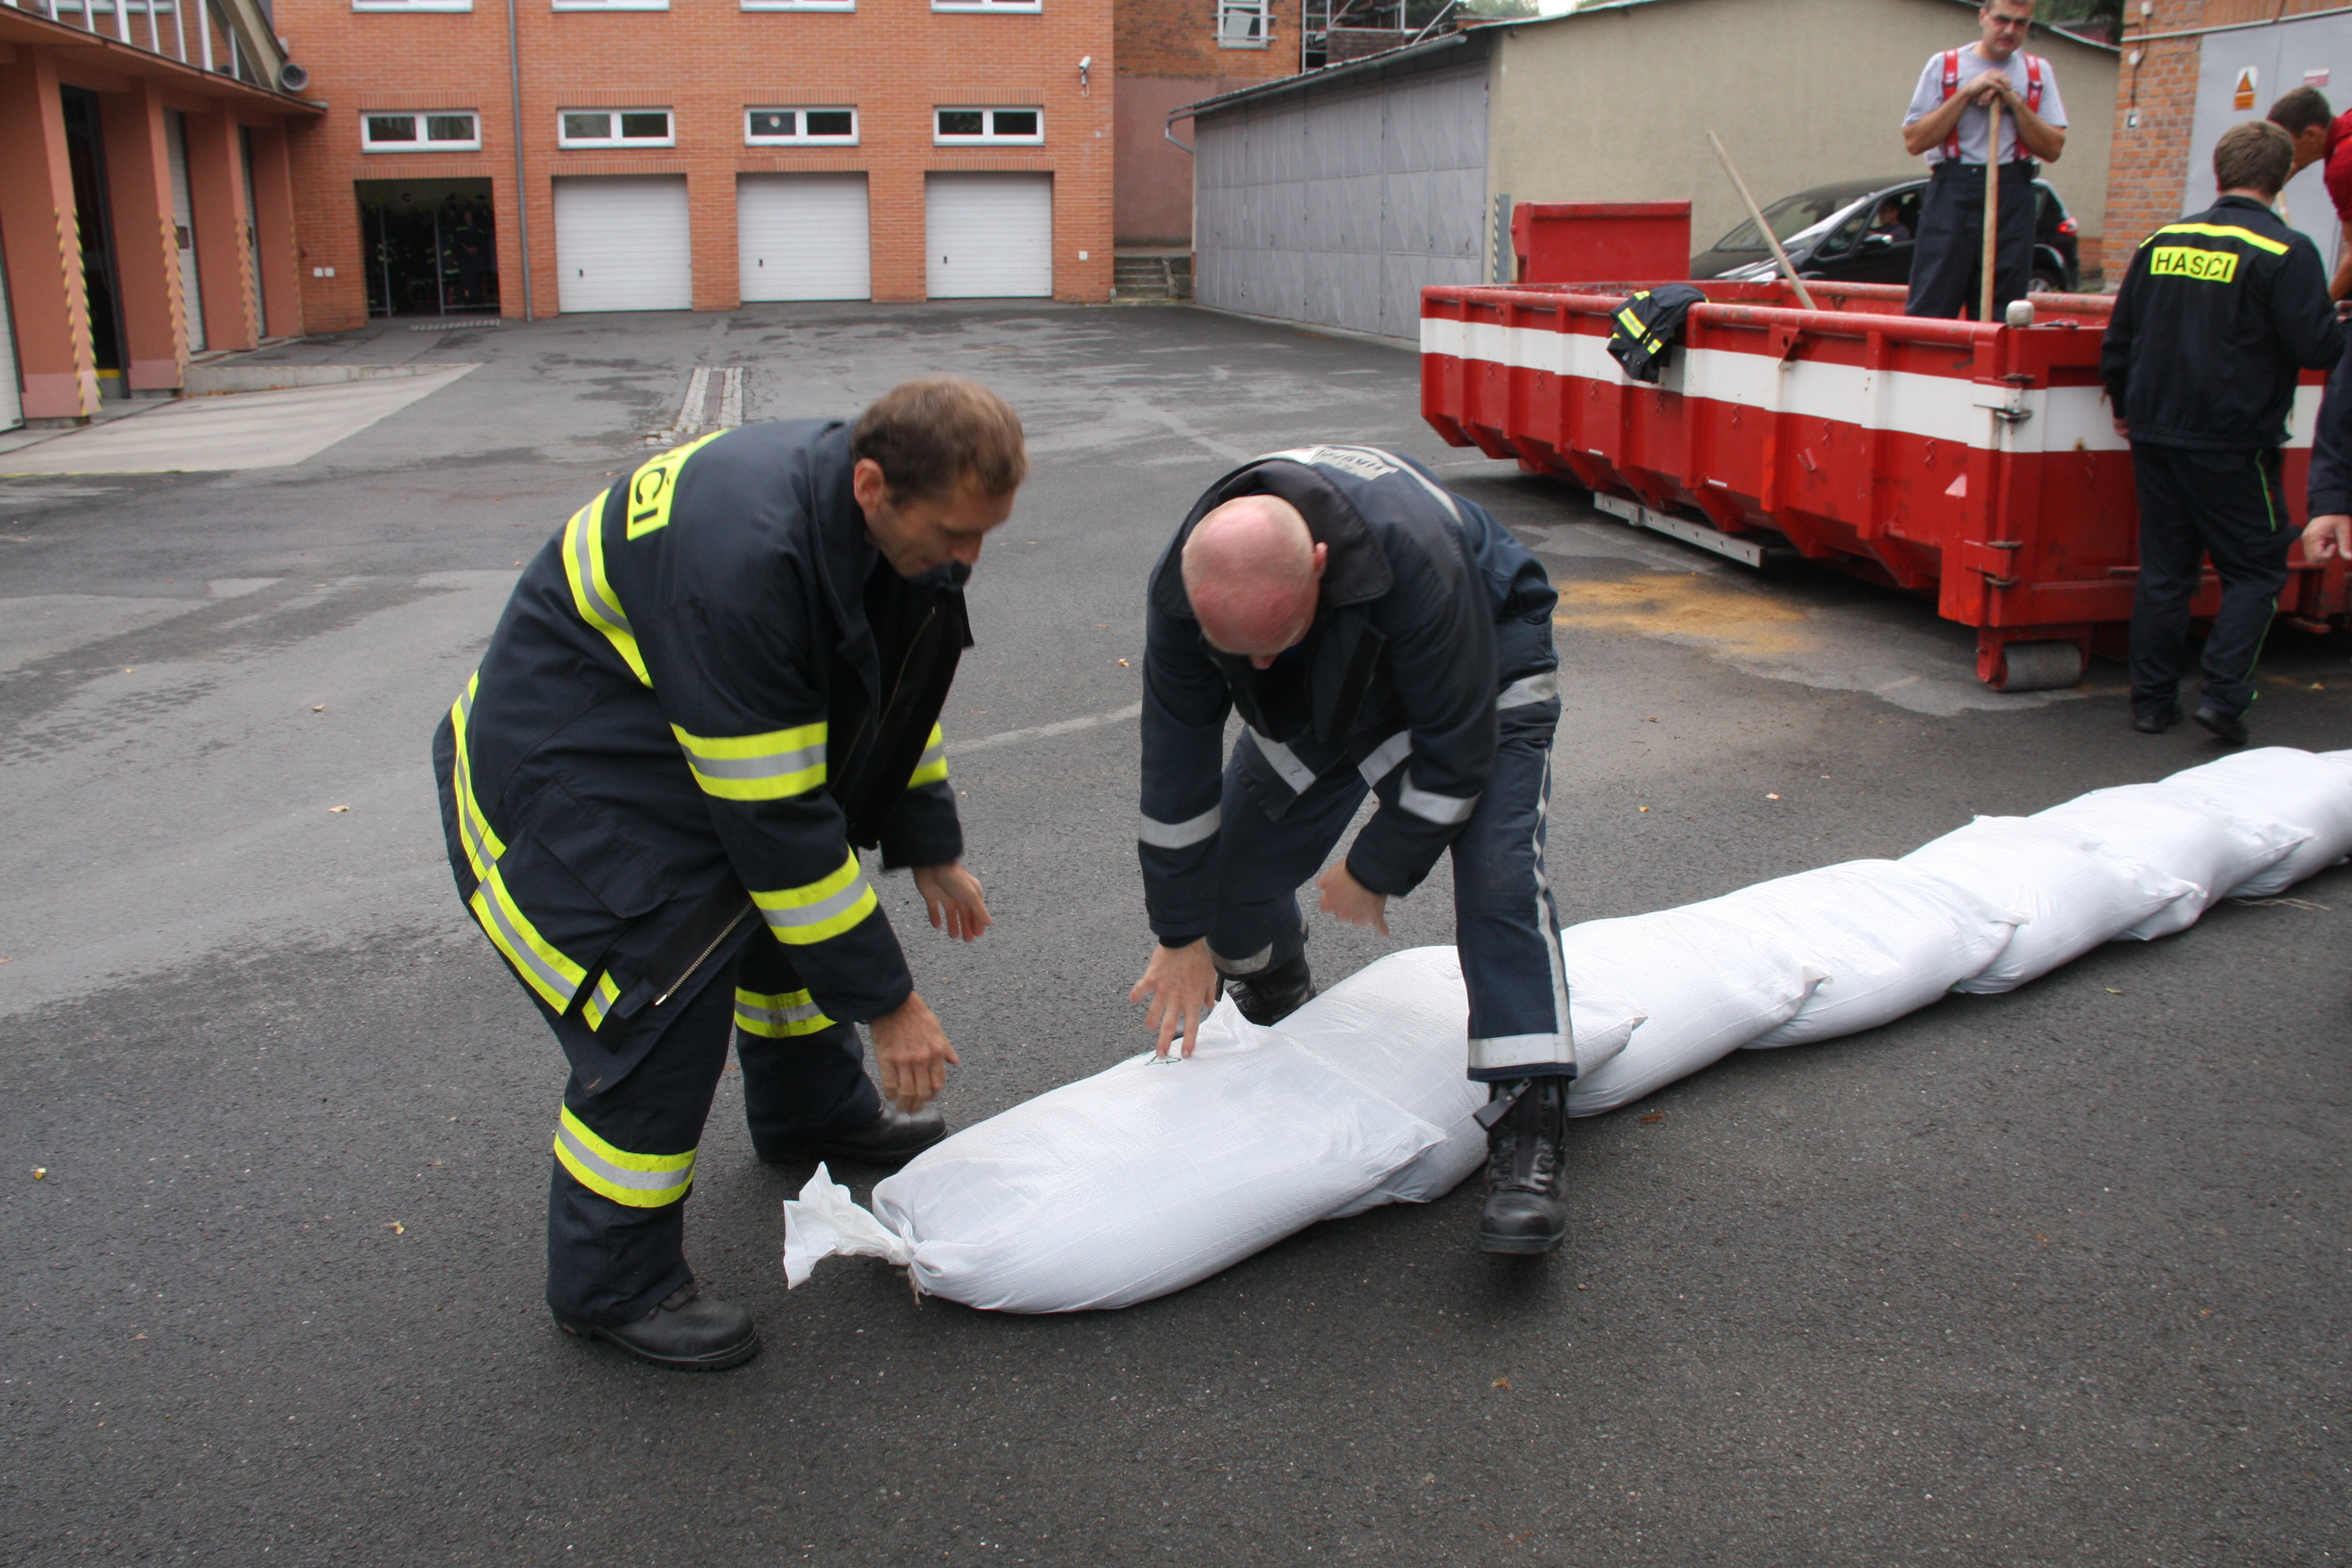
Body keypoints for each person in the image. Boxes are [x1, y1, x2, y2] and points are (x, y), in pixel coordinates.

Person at [433, 379, 1021, 1370]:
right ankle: (611, 1283)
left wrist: (928, 840)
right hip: (561, 783)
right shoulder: (746, 568)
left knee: (775, 920)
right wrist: (889, 1005)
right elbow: (781, 827)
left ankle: (807, 1111)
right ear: (873, 483)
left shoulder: (874, 521)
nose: (968, 559)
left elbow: (896, 698)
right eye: (956, 533)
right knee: (661, 999)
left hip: (668, 745)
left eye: (984, 533)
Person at [1127, 444, 1578, 1255]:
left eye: (1271, 638)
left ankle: (1528, 1124)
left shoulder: (1418, 556)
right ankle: (1279, 987)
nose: (1253, 663)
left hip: (1483, 676)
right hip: (1320, 693)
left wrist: (1378, 865)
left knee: (1498, 883)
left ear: (1321, 567)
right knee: (1230, 882)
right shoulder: (1186, 591)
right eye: (1240, 653)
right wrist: (1178, 936)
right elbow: (1175, 770)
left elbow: (1458, 745)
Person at [2100, 121, 2346, 745]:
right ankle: (2224, 700)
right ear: (2282, 175)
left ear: (2219, 173)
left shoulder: (2162, 240)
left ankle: (2152, 703)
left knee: (2166, 571)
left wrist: (2126, 403)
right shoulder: (2287, 251)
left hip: (2155, 431)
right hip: (2233, 439)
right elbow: (2318, 346)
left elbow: (2120, 335)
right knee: (2257, 570)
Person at [1900, 0, 2068, 319]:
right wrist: (1965, 94)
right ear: (1983, 16)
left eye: (2021, 23)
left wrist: (2014, 102)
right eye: (2002, 20)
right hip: (1953, 190)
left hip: (2013, 190)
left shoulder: (2037, 72)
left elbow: (2053, 148)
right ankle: (1933, 367)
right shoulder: (1944, 66)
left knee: (2002, 307)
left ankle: (1990, 368)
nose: (2009, 30)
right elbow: (1915, 140)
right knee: (1934, 300)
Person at [2265, 86, 2333, 232]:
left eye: (2287, 145)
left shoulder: (2343, 167)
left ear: (2311, 135)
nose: (2283, 154)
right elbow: (2297, 164)